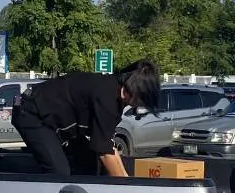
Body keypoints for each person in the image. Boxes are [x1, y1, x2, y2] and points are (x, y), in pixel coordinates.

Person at [11, 60, 160, 178]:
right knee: (59, 172)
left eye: (131, 93)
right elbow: (104, 153)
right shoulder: (107, 95)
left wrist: (127, 178)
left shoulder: (113, 96)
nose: (124, 94)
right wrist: (128, 190)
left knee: (89, 164)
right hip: (30, 112)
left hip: (50, 117)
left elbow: (107, 146)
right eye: (126, 88)